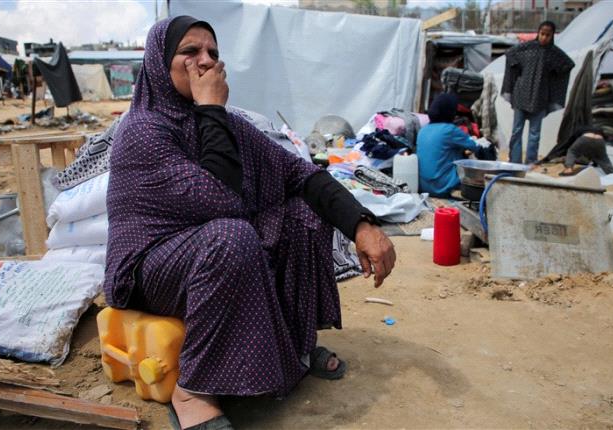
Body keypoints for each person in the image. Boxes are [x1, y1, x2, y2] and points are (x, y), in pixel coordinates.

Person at [104, 16, 396, 430]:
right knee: (231, 235)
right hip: (148, 267)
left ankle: (295, 345)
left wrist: (362, 226)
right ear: (159, 63)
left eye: (213, 53)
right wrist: (209, 109)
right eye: (190, 52)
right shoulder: (143, 131)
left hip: (207, 245)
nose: (206, 62)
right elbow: (218, 200)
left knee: (301, 213)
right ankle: (192, 391)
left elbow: (300, 173)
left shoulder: (223, 124)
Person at [502, 21, 574, 164]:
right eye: (542, 34)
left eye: (548, 35)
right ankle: (515, 161)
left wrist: (552, 77)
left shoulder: (554, 53)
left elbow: (567, 64)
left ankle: (531, 162)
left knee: (535, 133)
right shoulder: (526, 48)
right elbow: (510, 54)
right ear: (538, 33)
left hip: (541, 97)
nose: (544, 37)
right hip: (521, 94)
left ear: (552, 35)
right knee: (517, 130)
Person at [416, 93, 487, 197]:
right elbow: (475, 146)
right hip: (442, 187)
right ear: (451, 112)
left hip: (423, 186)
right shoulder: (450, 130)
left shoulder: (423, 130)